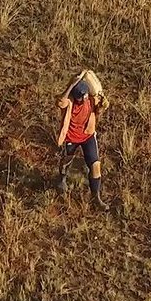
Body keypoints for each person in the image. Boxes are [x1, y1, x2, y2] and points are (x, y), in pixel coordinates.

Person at [55, 76, 107, 210]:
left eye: (84, 95)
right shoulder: (69, 102)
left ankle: (96, 198)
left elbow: (101, 106)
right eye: (80, 97)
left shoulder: (91, 99)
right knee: (66, 161)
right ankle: (62, 179)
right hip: (71, 137)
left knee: (96, 166)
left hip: (87, 135)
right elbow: (60, 102)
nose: (83, 99)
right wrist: (70, 86)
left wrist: (102, 106)